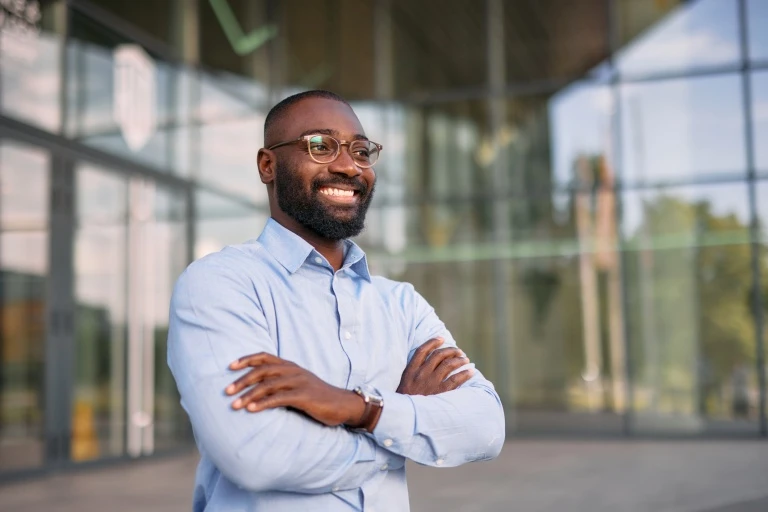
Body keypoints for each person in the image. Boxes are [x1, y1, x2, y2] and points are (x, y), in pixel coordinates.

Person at [167, 90, 505, 512]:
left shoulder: (401, 304)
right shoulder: (221, 285)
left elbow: (486, 428)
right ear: (267, 165)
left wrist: (360, 410)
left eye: (360, 150)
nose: (348, 166)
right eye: (320, 146)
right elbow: (254, 455)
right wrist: (402, 435)